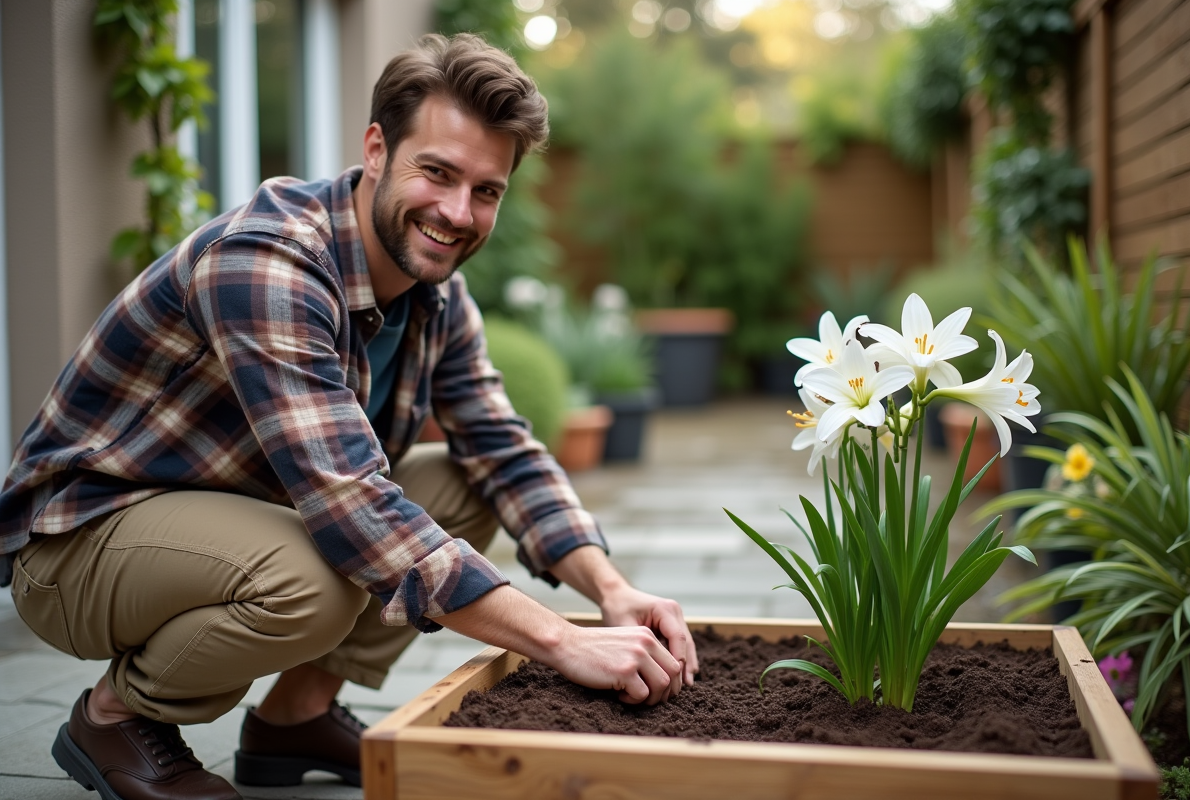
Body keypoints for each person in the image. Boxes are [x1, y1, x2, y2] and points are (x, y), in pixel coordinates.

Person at [1, 33, 698, 800]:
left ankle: (295, 717)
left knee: (461, 483)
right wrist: (561, 641)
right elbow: (351, 506)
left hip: (232, 522)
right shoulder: (265, 260)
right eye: (436, 172)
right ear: (376, 148)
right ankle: (116, 720)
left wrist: (609, 591)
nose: (457, 212)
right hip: (80, 543)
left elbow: (504, 451)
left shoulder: (437, 298)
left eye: (487, 190)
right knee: (316, 579)